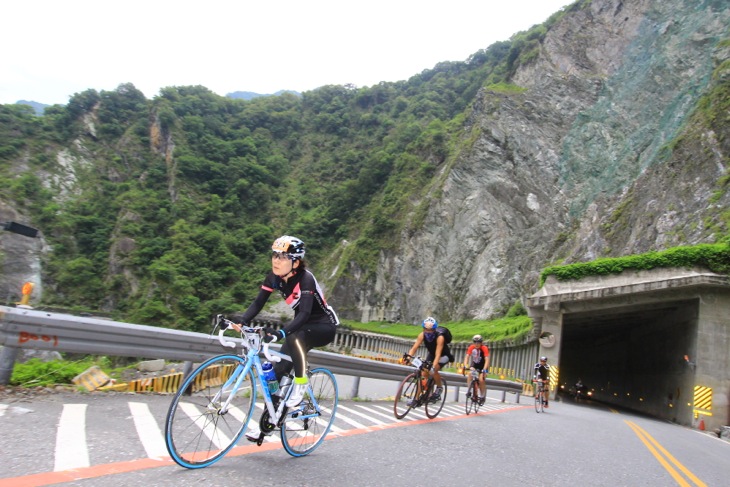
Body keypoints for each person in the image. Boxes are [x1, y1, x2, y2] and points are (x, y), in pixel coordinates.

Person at [230, 235, 339, 441]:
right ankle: (266, 424)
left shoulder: (305, 279)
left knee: (294, 336)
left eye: (282, 257)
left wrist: (281, 333)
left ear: (295, 262)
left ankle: (301, 382)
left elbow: (305, 314)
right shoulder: (273, 277)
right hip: (301, 327)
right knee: (277, 372)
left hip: (323, 326)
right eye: (274, 255)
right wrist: (243, 321)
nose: (276, 260)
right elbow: (258, 303)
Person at [403, 316, 454, 403]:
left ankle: (439, 388)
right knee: (423, 374)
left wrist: (433, 367)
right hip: (432, 354)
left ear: (434, 330)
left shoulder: (440, 337)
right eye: (426, 329)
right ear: (423, 329)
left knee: (433, 370)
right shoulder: (422, 335)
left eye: (430, 330)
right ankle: (416, 399)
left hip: (444, 355)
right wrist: (408, 357)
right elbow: (414, 348)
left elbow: (438, 354)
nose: (428, 332)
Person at [463, 334, 490, 405]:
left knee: (481, 379)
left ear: (481, 343)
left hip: (483, 365)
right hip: (475, 364)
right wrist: (465, 365)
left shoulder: (484, 348)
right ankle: (469, 390)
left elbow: (487, 359)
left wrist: (484, 370)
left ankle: (482, 396)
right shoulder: (471, 347)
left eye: (478, 342)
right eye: (475, 342)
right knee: (470, 373)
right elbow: (467, 357)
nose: (476, 344)